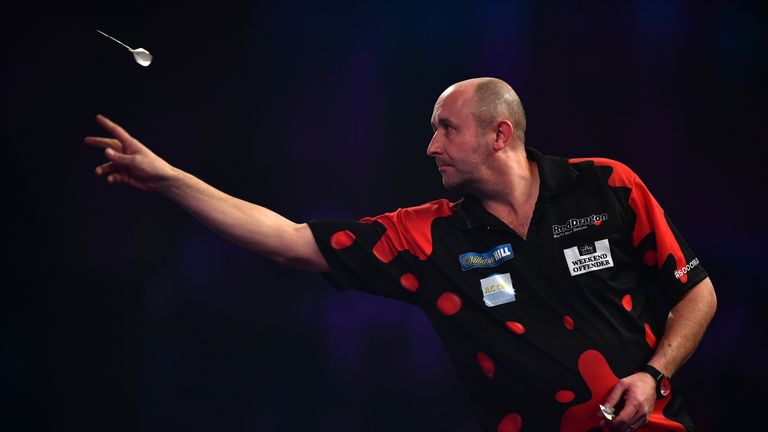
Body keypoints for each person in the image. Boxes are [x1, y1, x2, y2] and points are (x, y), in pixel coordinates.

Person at [86, 77, 716, 432]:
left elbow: (698, 293)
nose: (430, 146)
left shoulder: (607, 185)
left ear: (500, 134)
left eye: (446, 128)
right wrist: (170, 179)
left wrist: (654, 374)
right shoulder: (426, 237)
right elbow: (288, 240)